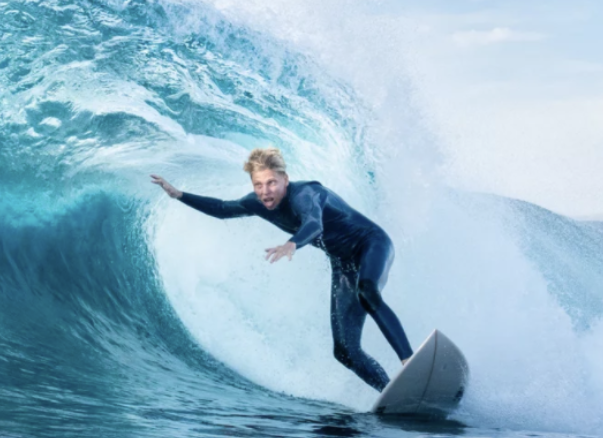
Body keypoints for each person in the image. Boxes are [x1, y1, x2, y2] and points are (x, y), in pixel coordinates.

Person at [150, 148, 414, 391]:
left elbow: (314, 224)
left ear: (285, 180)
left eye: (271, 183)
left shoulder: (305, 194)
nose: (265, 191)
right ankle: (390, 392)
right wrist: (179, 195)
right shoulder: (256, 203)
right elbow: (221, 208)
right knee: (344, 351)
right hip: (344, 263)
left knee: (367, 291)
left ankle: (409, 361)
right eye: (258, 184)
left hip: (371, 243)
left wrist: (292, 243)